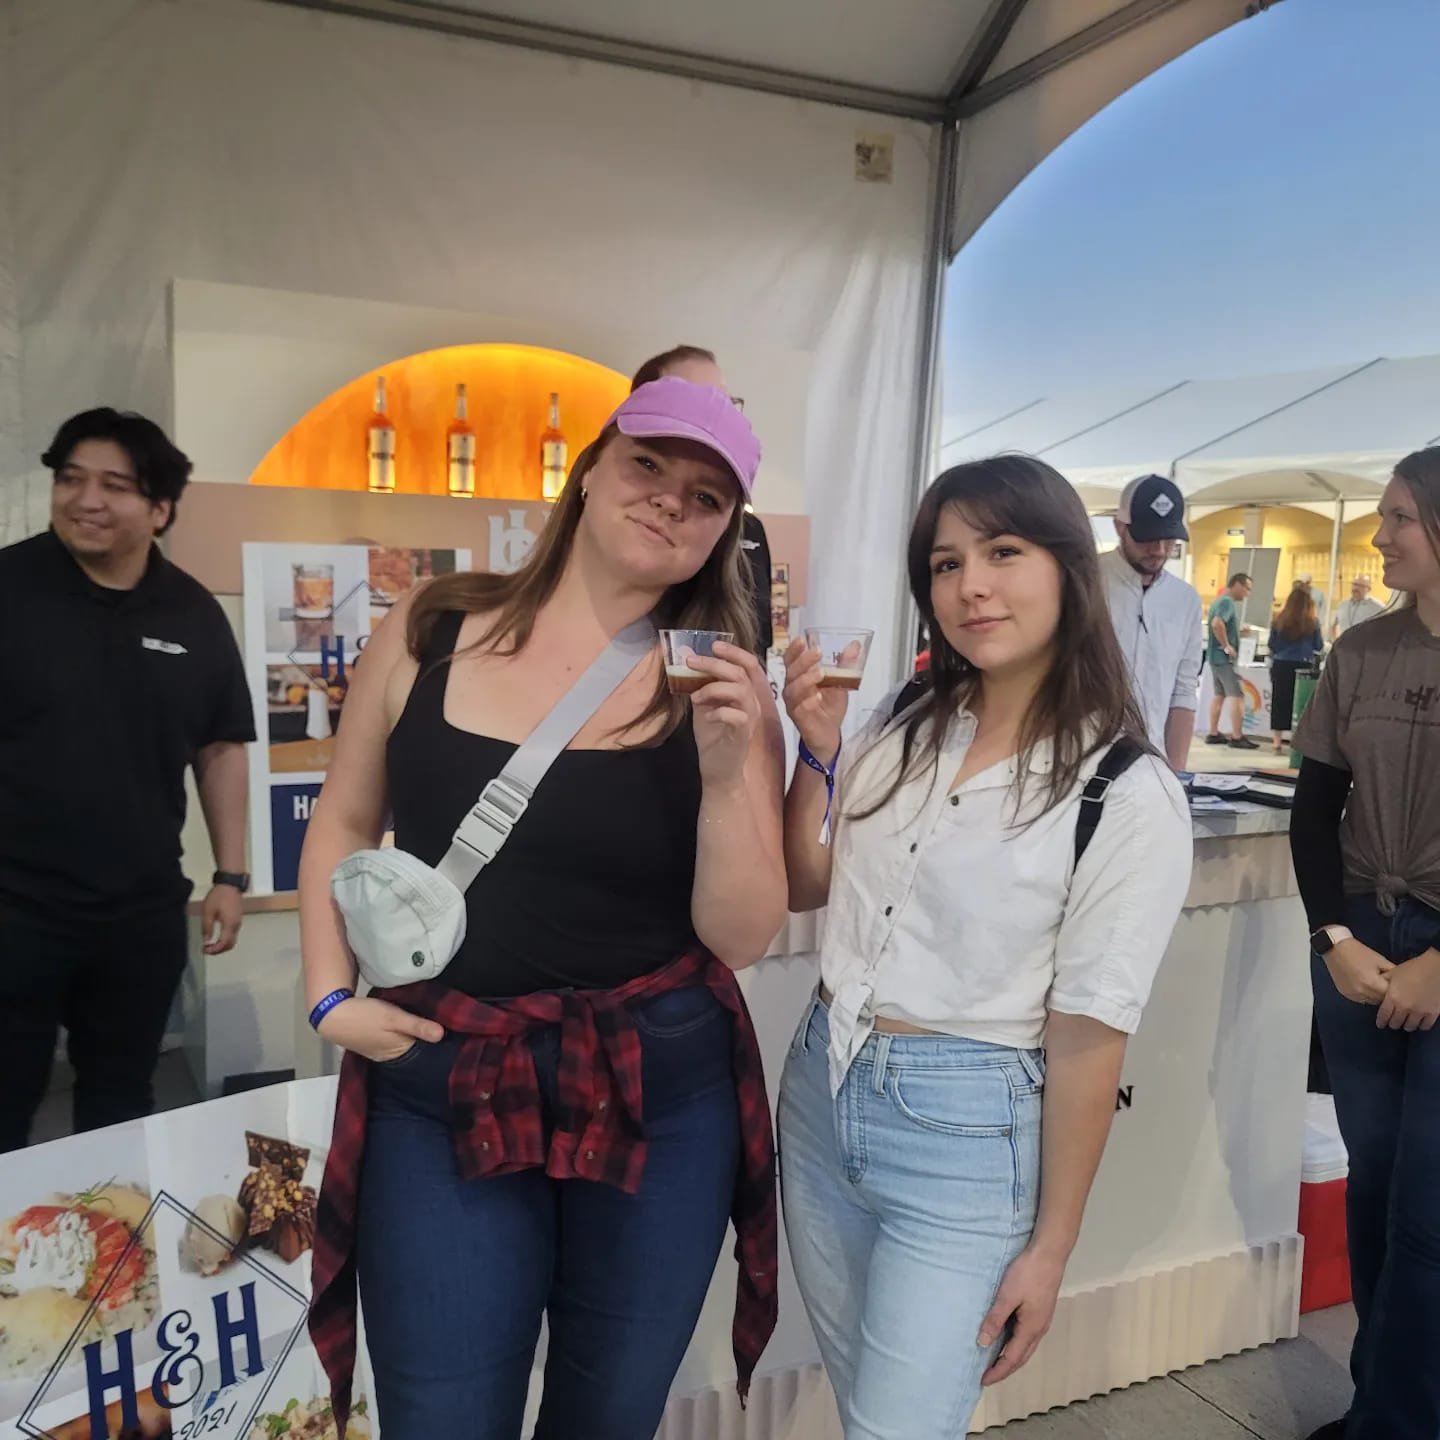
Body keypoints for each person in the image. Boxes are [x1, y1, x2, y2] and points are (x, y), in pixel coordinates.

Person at [304, 379, 786, 1440]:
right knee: (437, 1414)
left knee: (608, 1417)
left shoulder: (719, 682)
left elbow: (742, 936)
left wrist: (727, 767)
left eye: (705, 497)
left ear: (722, 536)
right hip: (444, 1078)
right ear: (592, 467)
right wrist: (326, 996)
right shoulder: (434, 627)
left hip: (660, 1088)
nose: (669, 501)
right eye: (648, 465)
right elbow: (341, 821)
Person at [778, 455, 1192, 1438]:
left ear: (1065, 569)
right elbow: (809, 883)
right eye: (945, 561)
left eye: (1002, 552)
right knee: (864, 1407)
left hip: (968, 1130)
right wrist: (820, 748)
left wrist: (1050, 1250)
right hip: (820, 1085)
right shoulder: (900, 720)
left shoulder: (1125, 794)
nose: (970, 585)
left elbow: (1091, 1038)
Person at [0, 409, 255, 1153]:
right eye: (71, 479)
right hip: (14, 908)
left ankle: (110, 1261)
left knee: (120, 1103)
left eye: (114, 485)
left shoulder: (192, 613)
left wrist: (231, 875)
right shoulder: (10, 587)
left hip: (139, 913)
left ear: (160, 508)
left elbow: (221, 745)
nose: (86, 499)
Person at [1291, 446, 1440, 1440]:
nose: (1379, 536)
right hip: (1358, 944)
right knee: (1377, 1183)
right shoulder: (1359, 652)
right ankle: (1381, 1406)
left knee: (1429, 1208)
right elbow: (1314, 810)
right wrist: (1335, 936)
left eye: (1396, 518)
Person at [632, 345, 773, 656]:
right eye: (647, 464)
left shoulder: (749, 533)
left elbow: (756, 647)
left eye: (725, 403)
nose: (670, 503)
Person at [1100, 474, 1201, 769]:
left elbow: (1183, 690)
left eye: (1168, 539)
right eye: (1146, 538)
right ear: (1120, 527)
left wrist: (1176, 772)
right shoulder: (1084, 583)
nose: (1158, 550)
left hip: (1151, 762)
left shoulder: (1185, 600)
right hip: (1080, 760)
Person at [1267, 582, 1325, 754]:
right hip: (1303, 665)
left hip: (1281, 664)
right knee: (1301, 703)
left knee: (1279, 701)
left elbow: (1272, 645)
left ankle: (1277, 741)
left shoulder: (1278, 620)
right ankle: (1297, 741)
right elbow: (1318, 645)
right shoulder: (1313, 622)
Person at [1205, 573, 1257, 749]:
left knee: (1219, 694)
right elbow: (1217, 624)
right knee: (1237, 695)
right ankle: (1237, 736)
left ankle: (1213, 732)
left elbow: (1218, 624)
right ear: (1237, 585)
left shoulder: (1218, 601)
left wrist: (1236, 633)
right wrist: (1227, 646)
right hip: (1223, 658)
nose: (1247, 594)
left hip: (1214, 657)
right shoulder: (1227, 602)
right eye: (1247, 589)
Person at [1332, 572, 1384, 641]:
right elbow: (1333, 626)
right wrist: (1335, 642)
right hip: (1343, 648)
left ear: (1368, 589)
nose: (1356, 588)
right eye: (1354, 584)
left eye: (1361, 586)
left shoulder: (1378, 607)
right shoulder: (1343, 605)